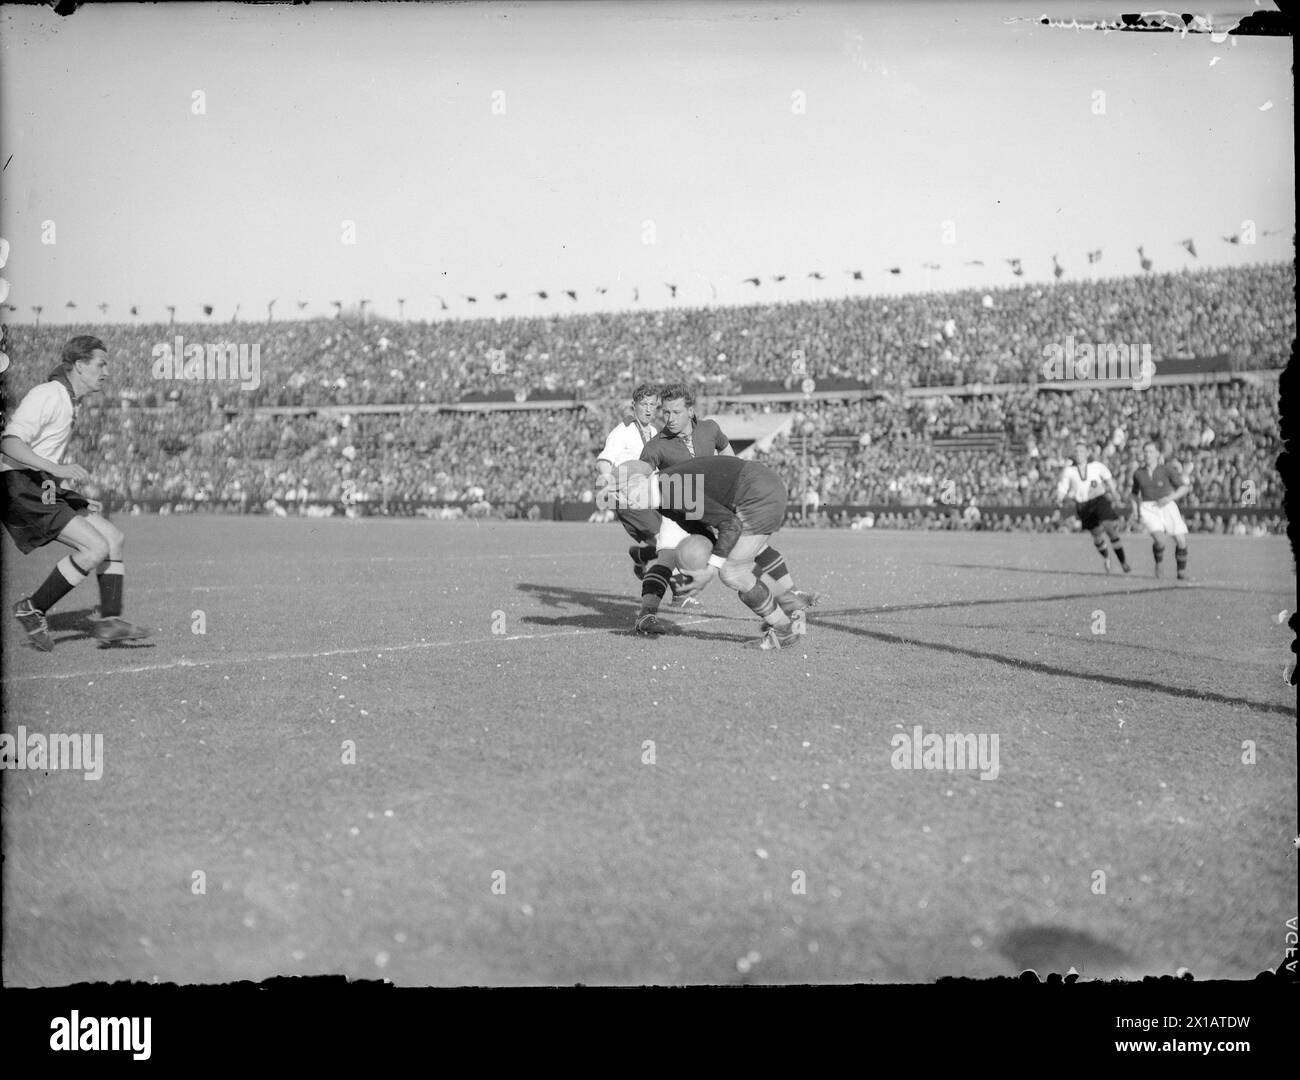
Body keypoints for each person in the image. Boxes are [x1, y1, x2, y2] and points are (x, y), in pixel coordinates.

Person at [1, 335, 152, 651]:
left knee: (112, 537)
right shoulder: (48, 394)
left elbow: (46, 459)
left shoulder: (68, 402)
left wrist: (74, 496)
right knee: (95, 547)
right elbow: (9, 443)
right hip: (20, 484)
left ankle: (110, 622)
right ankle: (32, 608)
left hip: (39, 483)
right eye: (101, 364)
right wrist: (55, 471)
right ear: (80, 366)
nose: (106, 372)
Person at [613, 456, 820, 649]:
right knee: (740, 565)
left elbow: (730, 525)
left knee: (731, 572)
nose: (620, 500)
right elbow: (711, 534)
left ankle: (784, 631)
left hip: (756, 491)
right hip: (761, 485)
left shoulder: (670, 488)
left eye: (621, 491)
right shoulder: (665, 493)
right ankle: (789, 601)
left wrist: (711, 569)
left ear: (639, 482)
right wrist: (706, 559)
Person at [1055, 440, 1130, 574]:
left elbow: (1108, 478)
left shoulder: (1096, 466)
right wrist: (1059, 498)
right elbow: (1063, 487)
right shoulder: (1069, 471)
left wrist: (1114, 493)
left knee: (1109, 527)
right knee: (1096, 535)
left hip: (1099, 500)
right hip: (1083, 505)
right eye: (1076, 451)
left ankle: (1123, 562)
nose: (1079, 454)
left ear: (1087, 453)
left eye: (1082, 451)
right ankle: (1106, 557)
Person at [1129, 440, 1191, 580]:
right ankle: (1159, 563)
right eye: (1145, 452)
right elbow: (1133, 494)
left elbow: (1184, 488)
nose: (1147, 454)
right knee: (1160, 540)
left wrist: (1169, 498)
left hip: (1167, 506)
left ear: (1157, 454)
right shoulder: (1139, 473)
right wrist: (1135, 510)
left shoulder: (1166, 469)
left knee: (1181, 541)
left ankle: (1181, 572)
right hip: (1148, 508)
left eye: (1151, 451)